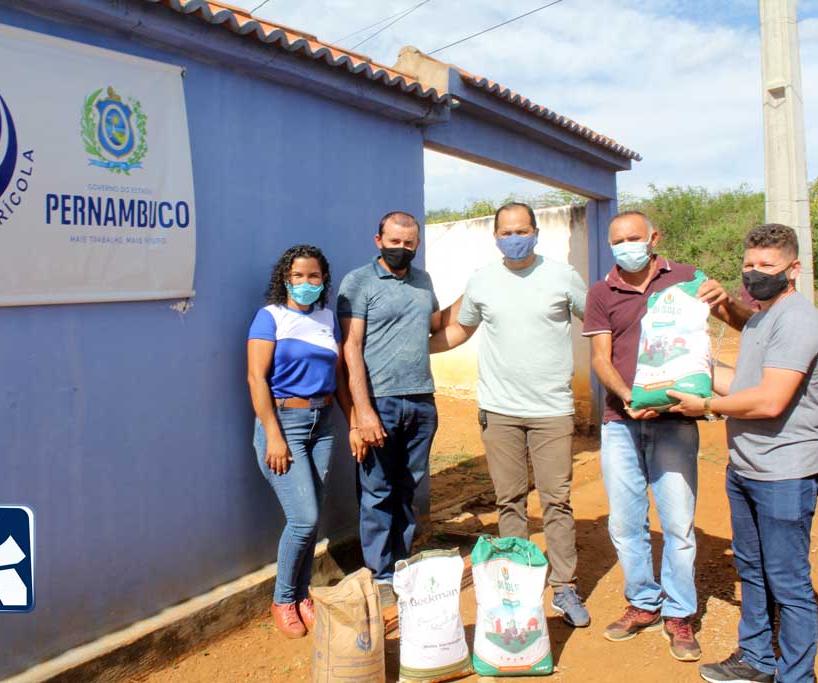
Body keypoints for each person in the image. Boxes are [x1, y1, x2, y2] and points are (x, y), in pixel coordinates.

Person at [582, 210, 752, 662]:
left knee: (678, 525)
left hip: (676, 420)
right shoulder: (602, 292)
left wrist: (724, 302)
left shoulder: (688, 279)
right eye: (617, 240)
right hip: (621, 422)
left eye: (634, 238)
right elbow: (600, 358)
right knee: (624, 523)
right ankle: (642, 602)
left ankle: (678, 613)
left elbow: (744, 325)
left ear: (653, 237)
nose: (625, 246)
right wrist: (624, 395)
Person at [667, 224, 818, 683]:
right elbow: (744, 382)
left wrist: (705, 405)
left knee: (789, 583)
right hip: (747, 467)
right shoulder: (762, 316)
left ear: (793, 269)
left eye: (768, 266)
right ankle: (756, 659)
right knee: (753, 570)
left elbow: (769, 401)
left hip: (784, 472)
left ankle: (797, 677)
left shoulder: (798, 319)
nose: (756, 273)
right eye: (749, 266)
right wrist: (683, 369)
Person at [429, 202, 591, 627]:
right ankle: (517, 583)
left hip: (552, 410)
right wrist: (411, 347)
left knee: (557, 501)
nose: (515, 237)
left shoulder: (562, 276)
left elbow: (596, 319)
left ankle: (564, 587)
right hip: (499, 411)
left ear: (536, 232)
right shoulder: (483, 281)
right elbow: (459, 329)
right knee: (509, 501)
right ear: (496, 236)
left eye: (522, 230)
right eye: (506, 231)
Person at [247, 244, 362, 638]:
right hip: (284, 424)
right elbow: (255, 379)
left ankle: (301, 594)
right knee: (304, 519)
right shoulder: (270, 317)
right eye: (298, 276)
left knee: (309, 520)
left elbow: (341, 377)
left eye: (314, 276)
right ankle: (283, 600)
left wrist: (352, 422)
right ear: (285, 278)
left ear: (324, 280)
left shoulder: (328, 319)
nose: (306, 283)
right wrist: (274, 436)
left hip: (323, 424)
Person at [337, 211, 441, 607]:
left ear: (417, 243)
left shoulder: (424, 281)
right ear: (378, 239)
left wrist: (478, 302)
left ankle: (404, 566)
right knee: (377, 491)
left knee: (408, 490)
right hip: (378, 403)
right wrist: (362, 411)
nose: (401, 249)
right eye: (394, 241)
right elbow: (350, 348)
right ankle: (380, 575)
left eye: (409, 242)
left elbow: (434, 328)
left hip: (421, 402)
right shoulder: (358, 281)